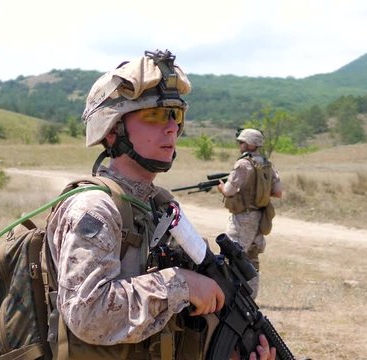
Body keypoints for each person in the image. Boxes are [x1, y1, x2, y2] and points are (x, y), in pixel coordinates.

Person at [45, 50, 276, 359]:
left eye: (175, 115)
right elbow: (87, 315)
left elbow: (173, 319)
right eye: (154, 115)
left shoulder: (158, 205)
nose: (171, 128)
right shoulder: (94, 209)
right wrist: (182, 284)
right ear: (112, 130)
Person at [217, 128, 283, 299]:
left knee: (232, 254)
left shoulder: (243, 164)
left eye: (241, 142)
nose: (240, 145)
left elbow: (230, 191)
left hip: (242, 217)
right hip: (260, 216)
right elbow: (278, 192)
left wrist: (221, 188)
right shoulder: (267, 165)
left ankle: (229, 296)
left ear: (248, 144)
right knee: (252, 258)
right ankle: (250, 297)